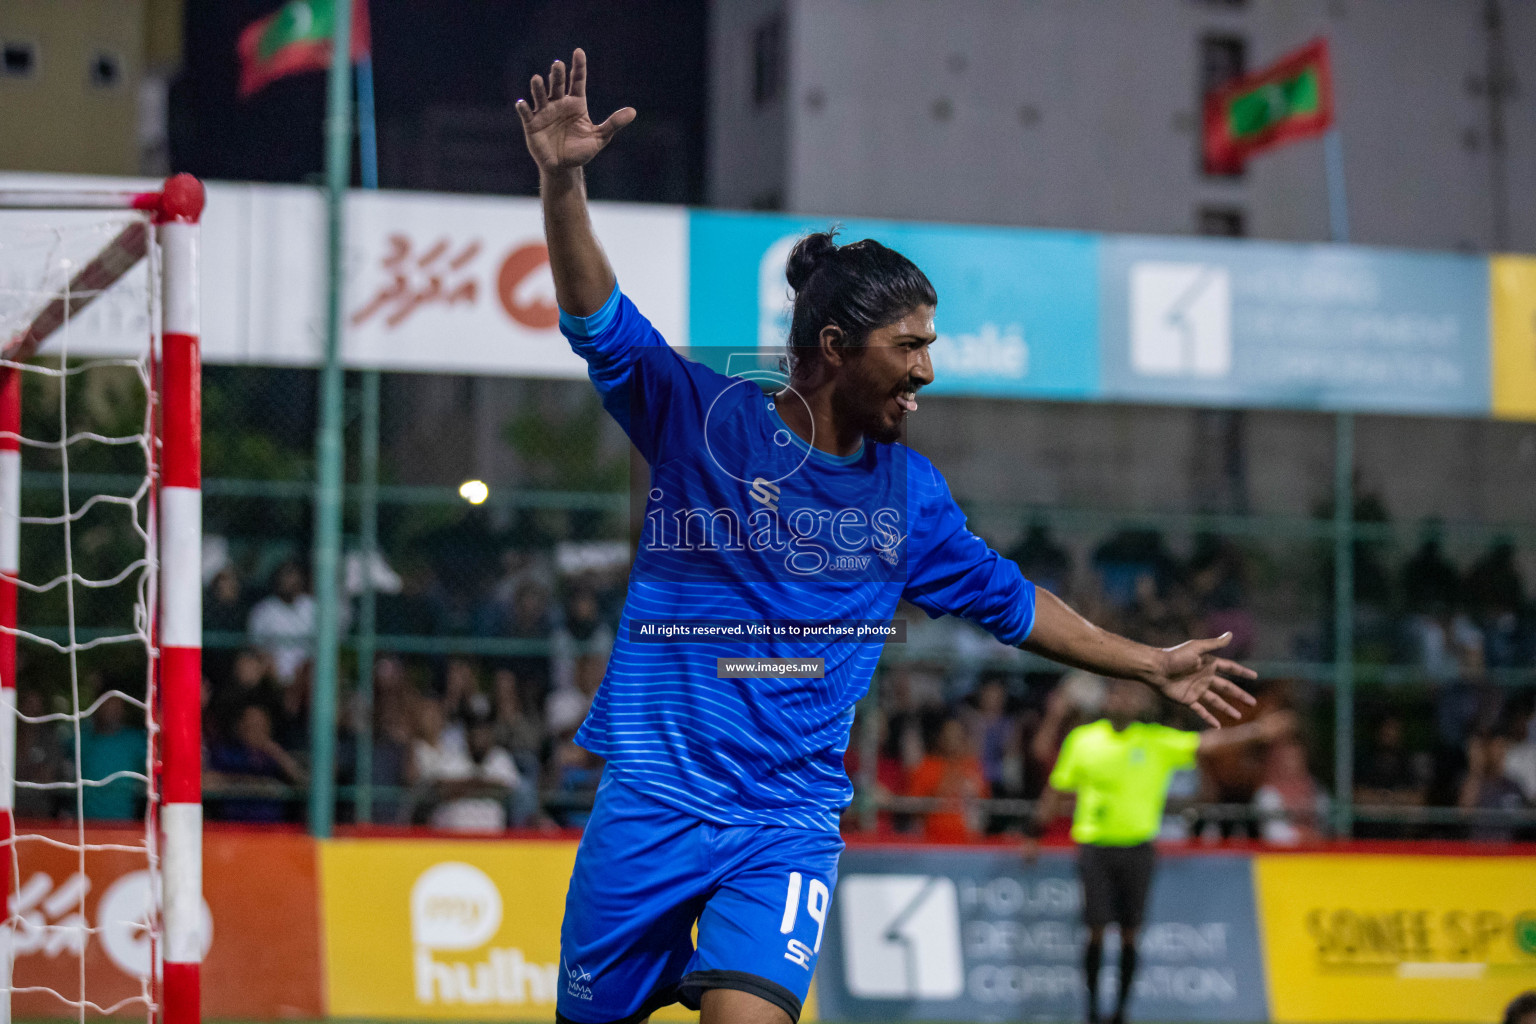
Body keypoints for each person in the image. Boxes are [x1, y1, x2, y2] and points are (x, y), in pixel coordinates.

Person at [518, 50, 1257, 1024]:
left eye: (931, 347)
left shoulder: (909, 497)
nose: (928, 370)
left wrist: (1150, 662)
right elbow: (598, 322)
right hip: (651, 805)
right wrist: (563, 181)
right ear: (836, 349)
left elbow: (1016, 604)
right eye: (911, 346)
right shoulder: (705, 422)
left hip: (782, 827)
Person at [1023, 680, 1290, 1024]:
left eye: (1128, 696)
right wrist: (1035, 833)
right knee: (1096, 930)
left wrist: (1257, 732)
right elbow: (1056, 789)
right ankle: (1091, 1012)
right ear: (1107, 701)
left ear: (1138, 705)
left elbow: (1208, 744)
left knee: (1131, 933)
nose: (1122, 702)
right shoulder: (1085, 740)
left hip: (1138, 849)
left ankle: (1120, 1012)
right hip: (1095, 847)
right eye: (1116, 694)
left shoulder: (1155, 741)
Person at [905, 716, 989, 843]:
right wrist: (938, 792)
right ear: (940, 738)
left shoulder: (972, 766)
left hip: (968, 840)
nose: (952, 740)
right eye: (948, 736)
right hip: (933, 838)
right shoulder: (926, 766)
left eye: (957, 736)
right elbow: (914, 804)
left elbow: (984, 801)